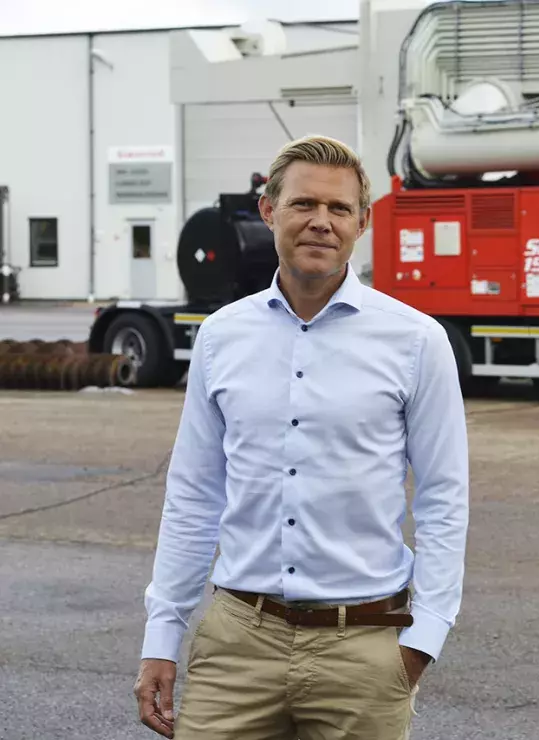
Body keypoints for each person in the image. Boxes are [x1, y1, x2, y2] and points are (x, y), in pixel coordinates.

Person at [132, 134, 470, 739]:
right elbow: (193, 494)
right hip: (238, 641)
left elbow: (444, 495)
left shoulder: (416, 341)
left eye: (339, 209)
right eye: (304, 205)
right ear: (269, 211)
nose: (322, 222)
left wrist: (425, 637)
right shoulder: (220, 336)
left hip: (363, 647)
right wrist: (163, 635)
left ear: (362, 222)